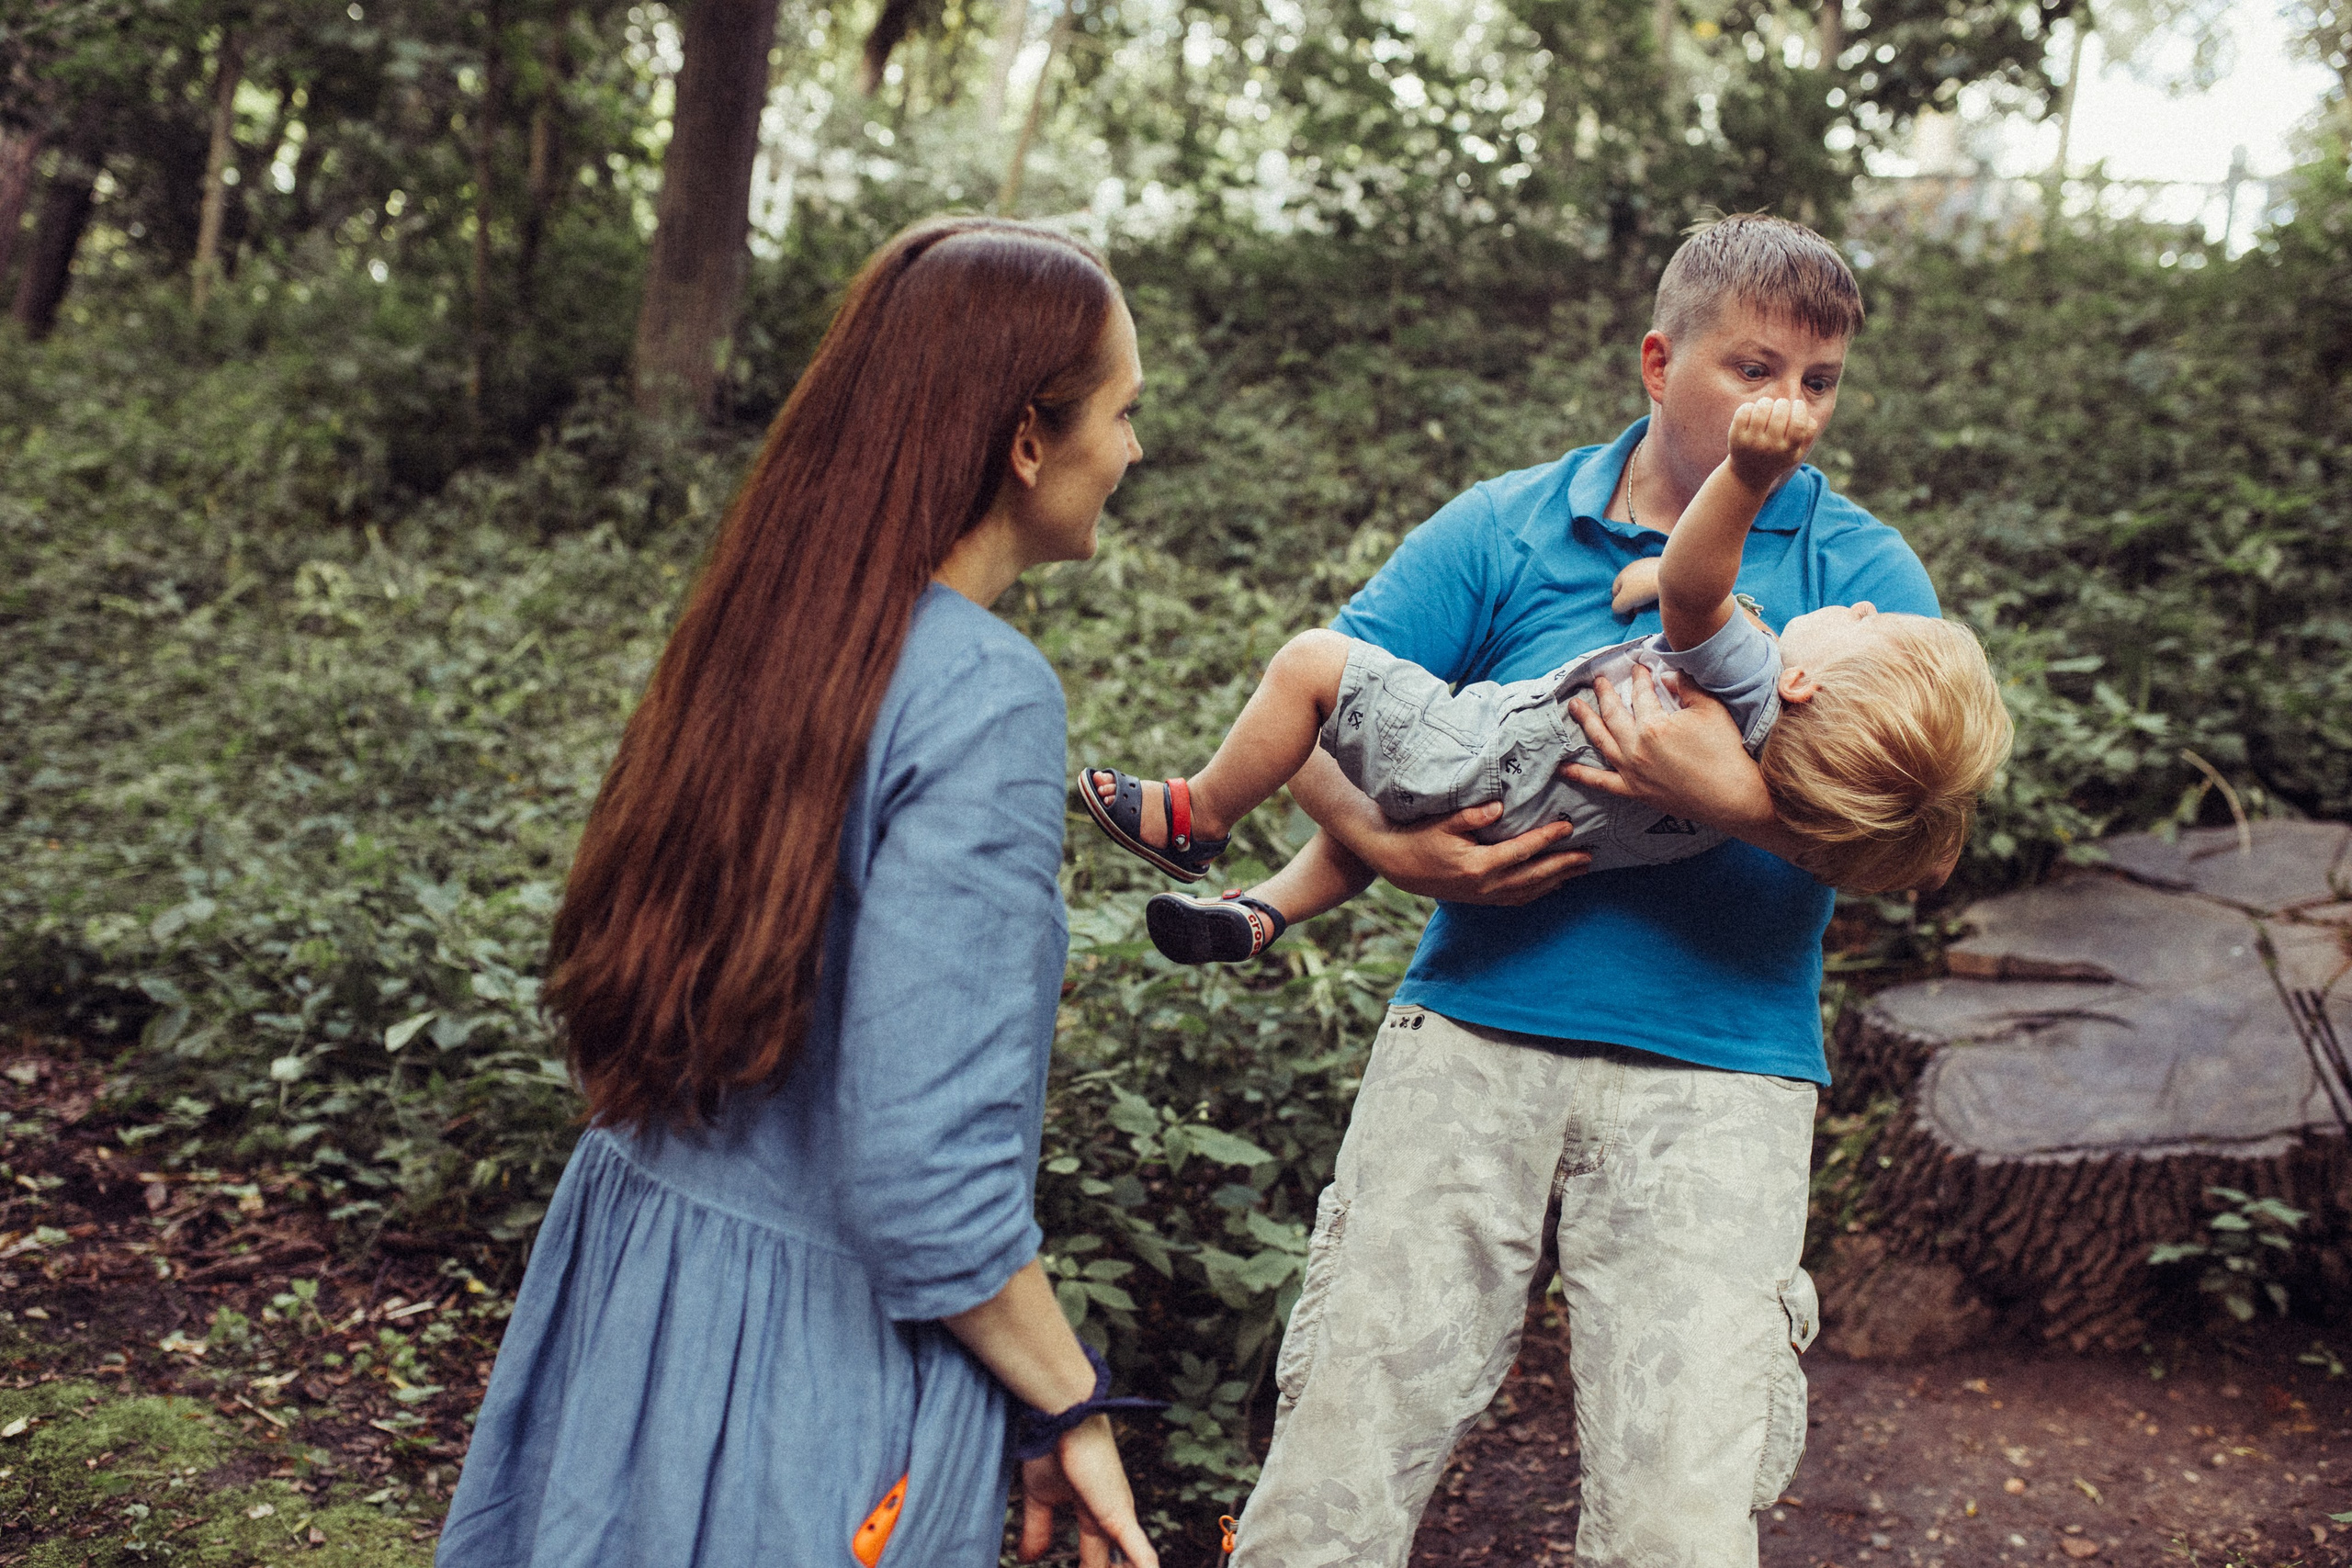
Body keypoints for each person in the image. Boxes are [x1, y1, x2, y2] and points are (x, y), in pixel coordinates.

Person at [1201, 213, 1954, 1568]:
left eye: (1820, 380)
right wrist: (1398, 846)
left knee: (1679, 1522)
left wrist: (1729, 795)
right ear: (1660, 362)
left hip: (1722, 1076)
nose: (1788, 407)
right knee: (1335, 1475)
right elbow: (1318, 704)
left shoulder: (1863, 576)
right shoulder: (1507, 525)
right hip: (1471, 1037)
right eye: (1755, 367)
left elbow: (1929, 842)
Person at [435, 218, 1159, 1568]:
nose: (1131, 450)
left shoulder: (767, 628)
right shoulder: (989, 696)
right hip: (806, 1360)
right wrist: (1073, 1395)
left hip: (636, 1290)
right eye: (1123, 412)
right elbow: (929, 1182)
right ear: (1023, 438)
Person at [1079, 395, 2009, 963]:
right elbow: (1897, 840)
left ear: (1802, 686)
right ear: (1659, 364)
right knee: (1384, 782)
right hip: (1541, 822)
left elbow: (1698, 590)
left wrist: (1746, 476)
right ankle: (1262, 912)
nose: (1857, 606)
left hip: (1491, 755)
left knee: (1311, 666)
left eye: (1867, 627)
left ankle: (1197, 816)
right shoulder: (1810, 775)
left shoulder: (1758, 680)